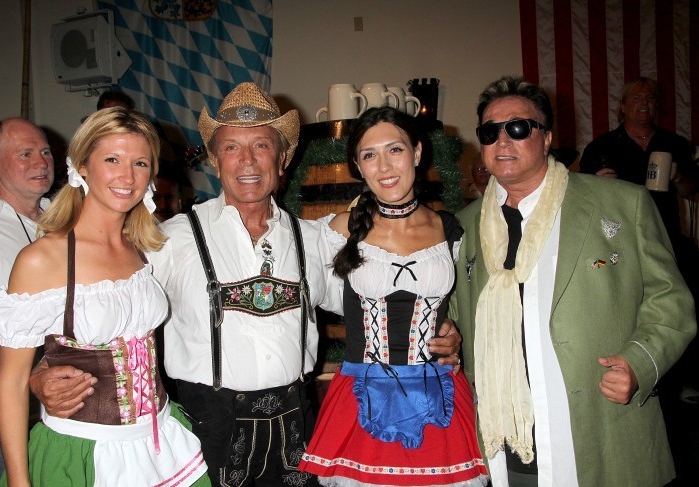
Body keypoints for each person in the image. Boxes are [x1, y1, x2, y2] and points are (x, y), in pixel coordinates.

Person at [28, 82, 461, 485]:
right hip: (207, 429)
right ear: (215, 160)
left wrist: (445, 331)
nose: (247, 161)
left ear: (283, 158)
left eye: (262, 146)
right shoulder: (170, 238)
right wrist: (42, 372)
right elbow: (106, 306)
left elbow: (380, 293)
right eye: (232, 147)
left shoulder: (316, 238)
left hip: (295, 424)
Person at [450, 76, 696, 486]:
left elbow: (671, 299)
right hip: (502, 433)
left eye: (518, 127)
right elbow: (456, 313)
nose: (502, 141)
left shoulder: (621, 203)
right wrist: (449, 335)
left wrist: (640, 362)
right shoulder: (464, 226)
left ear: (546, 139)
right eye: (490, 132)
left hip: (600, 428)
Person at [0, 108, 209, 486]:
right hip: (83, 451)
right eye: (112, 160)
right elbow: (11, 384)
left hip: (161, 441)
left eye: (140, 163)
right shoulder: (43, 259)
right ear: (82, 166)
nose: (127, 176)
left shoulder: (142, 247)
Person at [298, 107, 488, 486]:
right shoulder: (335, 231)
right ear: (357, 165)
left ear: (417, 152)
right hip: (362, 393)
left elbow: (475, 300)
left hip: (440, 394)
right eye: (369, 155)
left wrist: (457, 333)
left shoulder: (451, 229)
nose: (384, 166)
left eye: (395, 150)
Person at [0, 118, 54, 487]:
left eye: (46, 152)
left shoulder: (68, 222)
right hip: (3, 420)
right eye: (25, 153)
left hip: (71, 414)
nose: (41, 162)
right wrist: (23, 311)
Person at [579, 77, 697, 248]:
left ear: (656, 106)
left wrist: (678, 177)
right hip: (620, 238)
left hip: (665, 236)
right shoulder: (601, 146)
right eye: (636, 98)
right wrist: (596, 186)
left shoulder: (674, 143)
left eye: (650, 98)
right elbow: (582, 197)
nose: (644, 103)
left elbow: (691, 190)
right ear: (623, 106)